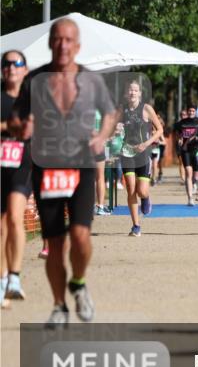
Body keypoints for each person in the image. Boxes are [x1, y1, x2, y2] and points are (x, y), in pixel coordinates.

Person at [10, 18, 119, 328]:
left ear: (78, 45)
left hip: (82, 165)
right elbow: (17, 120)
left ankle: (79, 283)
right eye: (57, 39)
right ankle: (59, 305)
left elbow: (110, 114)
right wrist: (23, 127)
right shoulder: (34, 80)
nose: (62, 45)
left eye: (69, 40)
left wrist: (102, 136)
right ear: (50, 43)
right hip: (47, 167)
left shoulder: (92, 81)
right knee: (55, 243)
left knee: (81, 236)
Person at [1, 50, 32, 305]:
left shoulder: (34, 98)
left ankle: (15, 276)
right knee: (1, 228)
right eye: (7, 64)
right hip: (1, 166)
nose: (12, 68)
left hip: (23, 165)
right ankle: (2, 283)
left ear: (25, 69)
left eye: (17, 63)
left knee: (14, 217)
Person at [120, 79, 163, 237]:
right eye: (130, 90)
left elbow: (159, 130)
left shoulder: (146, 109)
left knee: (141, 191)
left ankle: (146, 198)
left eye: (135, 90)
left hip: (143, 154)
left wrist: (147, 144)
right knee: (131, 188)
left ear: (140, 93)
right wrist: (116, 129)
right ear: (126, 93)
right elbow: (113, 128)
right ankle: (136, 225)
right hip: (126, 152)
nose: (132, 92)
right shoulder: (121, 110)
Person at [172, 105, 198, 206]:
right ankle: (190, 198)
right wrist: (179, 139)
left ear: (196, 112)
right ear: (187, 111)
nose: (191, 112)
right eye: (190, 111)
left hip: (197, 150)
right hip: (185, 150)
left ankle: (194, 183)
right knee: (188, 173)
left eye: (193, 111)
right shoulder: (181, 123)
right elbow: (178, 134)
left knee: (197, 172)